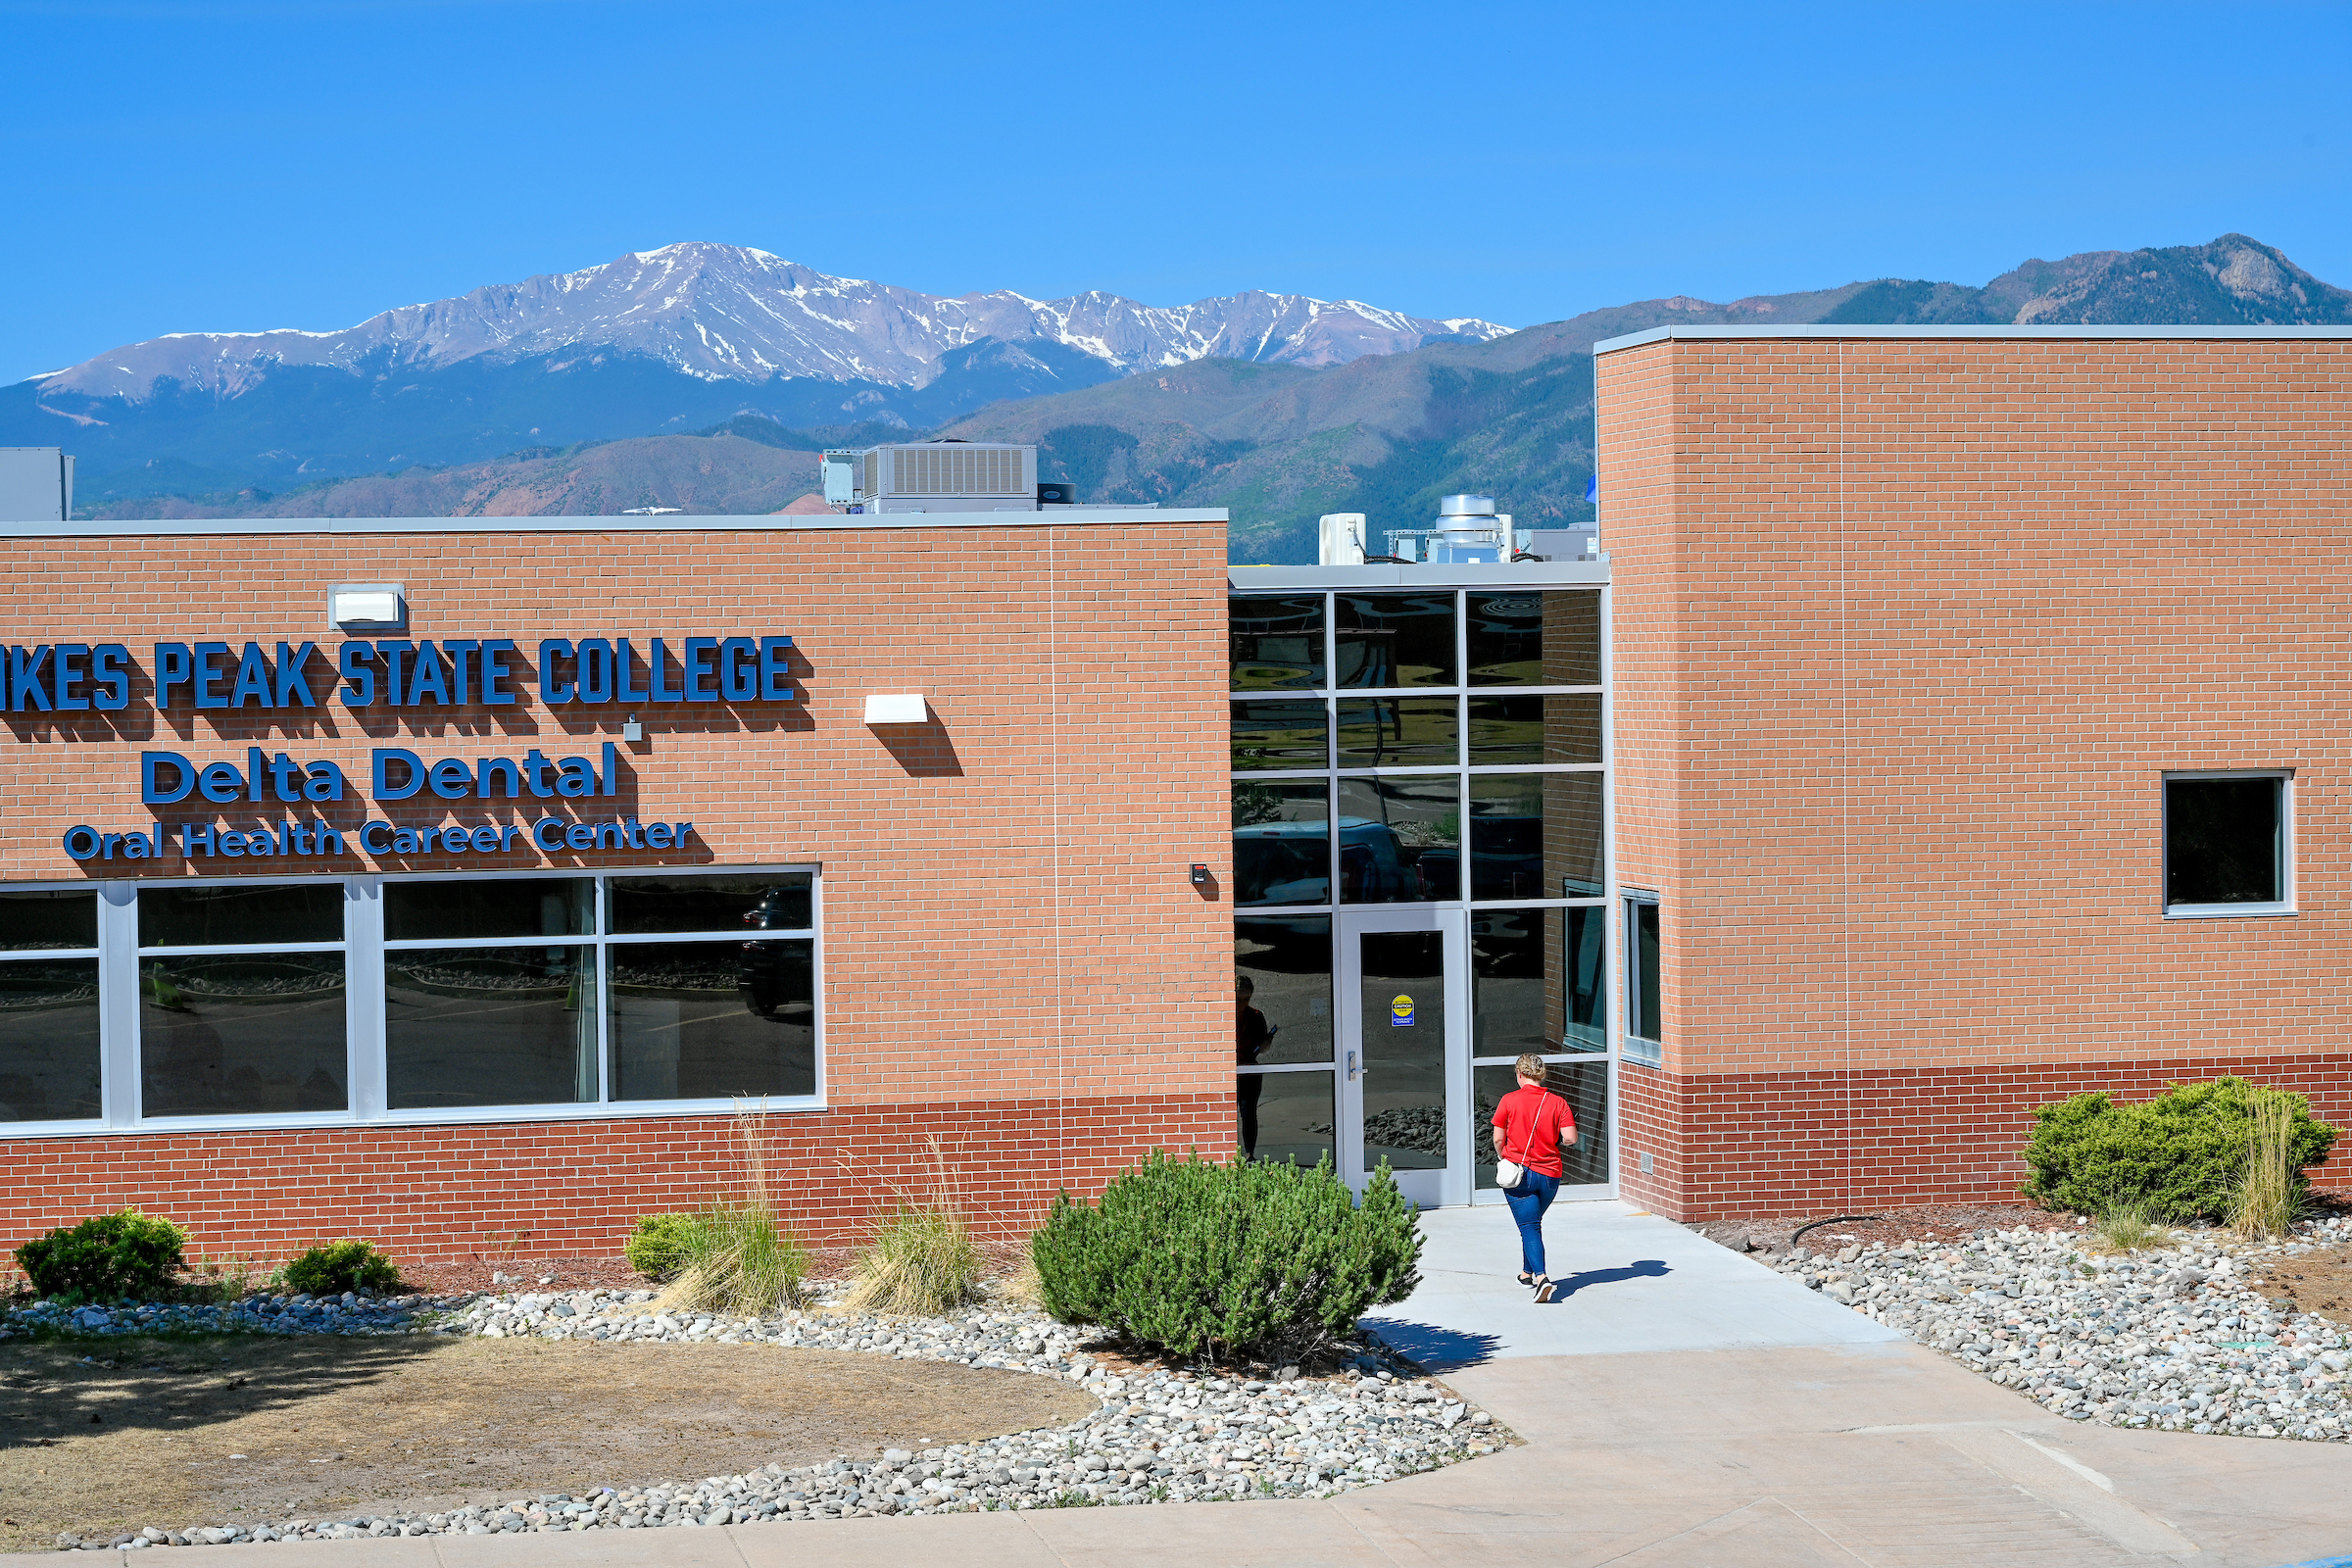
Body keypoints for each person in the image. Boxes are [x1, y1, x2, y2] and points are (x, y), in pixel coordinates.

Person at [1491, 1054, 1577, 1301]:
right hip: (1550, 1175)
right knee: (1532, 1224)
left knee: (1529, 1226)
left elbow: (1498, 1138)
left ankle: (1542, 1279)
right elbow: (1570, 1138)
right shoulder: (1558, 1102)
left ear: (1519, 1074)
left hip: (1520, 1175)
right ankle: (1526, 1274)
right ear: (1542, 1075)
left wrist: (1504, 1156)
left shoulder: (1509, 1100)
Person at [1236, 975, 1272, 1159]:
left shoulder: (1256, 1016)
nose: (1243, 1003)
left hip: (1249, 1070)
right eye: (1238, 999)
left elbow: (1262, 1046)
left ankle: (1249, 1153)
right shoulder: (1224, 1016)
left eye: (1247, 999)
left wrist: (1266, 1043)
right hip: (1229, 1070)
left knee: (1249, 1113)